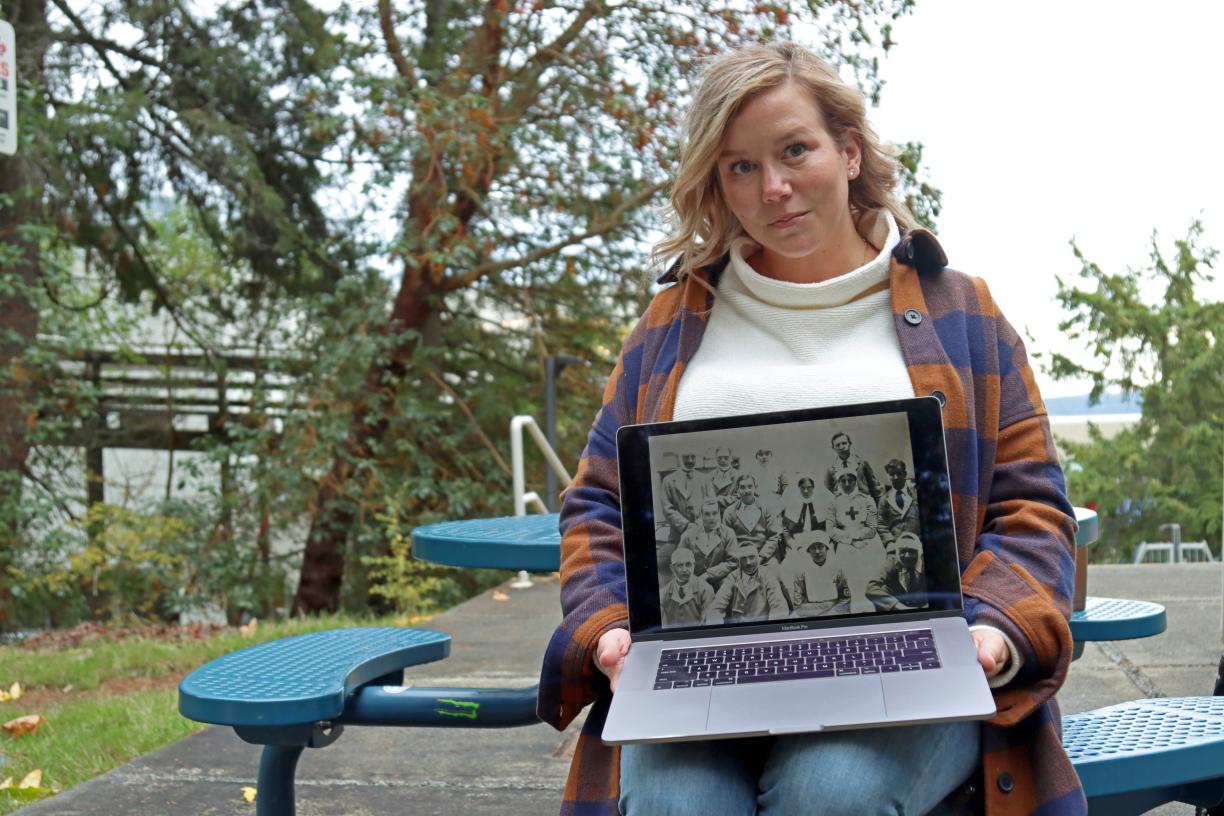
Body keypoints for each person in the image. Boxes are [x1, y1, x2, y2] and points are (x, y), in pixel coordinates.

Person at [539, 40, 1080, 816]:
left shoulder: (965, 312)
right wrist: (610, 631)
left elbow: (1031, 508)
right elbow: (595, 506)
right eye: (741, 167)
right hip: (702, 665)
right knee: (677, 805)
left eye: (796, 150)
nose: (775, 188)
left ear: (850, 151)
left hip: (904, 663)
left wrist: (992, 631)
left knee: (831, 792)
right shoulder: (669, 325)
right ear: (718, 183)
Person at [704, 542, 788, 624]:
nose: (748, 562)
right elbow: (717, 606)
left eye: (752, 557)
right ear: (739, 561)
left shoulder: (767, 575)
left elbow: (779, 606)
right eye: (743, 558)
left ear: (758, 558)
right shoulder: (732, 578)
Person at [721, 473, 785, 565]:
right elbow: (726, 540)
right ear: (737, 490)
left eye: (750, 487)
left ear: (755, 488)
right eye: (742, 487)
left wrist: (761, 557)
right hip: (739, 558)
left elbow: (773, 536)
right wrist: (740, 558)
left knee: (775, 575)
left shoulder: (767, 509)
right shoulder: (729, 512)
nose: (746, 491)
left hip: (764, 559)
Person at [678, 498, 739, 590]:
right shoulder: (688, 535)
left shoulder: (728, 533)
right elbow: (680, 561)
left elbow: (733, 562)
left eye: (714, 513)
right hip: (694, 580)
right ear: (701, 515)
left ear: (719, 514)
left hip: (719, 579)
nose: (711, 517)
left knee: (729, 588)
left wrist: (708, 574)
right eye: (707, 514)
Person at [786, 530, 850, 616]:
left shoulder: (837, 568)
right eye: (813, 547)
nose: (817, 551)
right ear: (808, 550)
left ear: (826, 548)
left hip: (835, 612)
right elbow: (798, 606)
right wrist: (826, 606)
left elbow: (845, 599)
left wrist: (830, 614)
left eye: (820, 547)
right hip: (810, 613)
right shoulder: (801, 572)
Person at [866, 531, 926, 611]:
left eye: (912, 551)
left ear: (919, 552)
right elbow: (871, 588)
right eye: (903, 551)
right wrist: (897, 606)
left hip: (921, 605)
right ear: (898, 552)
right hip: (899, 605)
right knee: (883, 589)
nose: (907, 556)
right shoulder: (892, 561)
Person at [659, 547, 715, 627]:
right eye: (680, 565)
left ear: (694, 565)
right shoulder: (664, 593)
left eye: (688, 564)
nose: (684, 569)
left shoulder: (706, 590)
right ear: (672, 568)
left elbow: (708, 623)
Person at [822, 431, 882, 502]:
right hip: (842, 505)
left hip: (863, 503)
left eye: (844, 443)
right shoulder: (830, 469)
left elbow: (874, 486)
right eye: (838, 445)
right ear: (833, 448)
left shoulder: (862, 464)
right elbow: (828, 488)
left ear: (850, 444)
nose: (841, 447)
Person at [877, 458, 920, 546]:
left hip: (917, 542)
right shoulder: (884, 500)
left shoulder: (915, 493)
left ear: (904, 474)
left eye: (898, 474)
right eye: (892, 474)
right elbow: (881, 524)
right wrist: (889, 543)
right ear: (888, 476)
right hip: (897, 544)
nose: (895, 477)